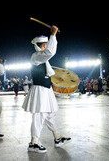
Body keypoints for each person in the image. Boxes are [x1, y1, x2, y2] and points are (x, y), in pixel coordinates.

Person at [22, 25, 71, 153]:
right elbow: (50, 52)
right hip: (40, 91)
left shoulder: (42, 58)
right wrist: (53, 34)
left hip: (46, 90)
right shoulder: (36, 56)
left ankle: (58, 138)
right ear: (42, 46)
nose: (47, 46)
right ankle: (34, 143)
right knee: (39, 116)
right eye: (46, 44)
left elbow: (48, 58)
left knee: (50, 114)